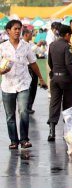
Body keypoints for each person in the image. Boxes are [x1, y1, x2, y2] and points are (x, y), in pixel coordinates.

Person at [0, 20, 45, 149]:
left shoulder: (26, 46)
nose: (18, 31)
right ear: (8, 31)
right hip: (8, 85)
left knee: (24, 111)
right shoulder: (2, 47)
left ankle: (24, 139)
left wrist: (41, 79)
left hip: (23, 83)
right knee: (10, 116)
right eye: (15, 29)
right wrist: (2, 71)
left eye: (19, 29)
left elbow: (33, 63)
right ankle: (14, 141)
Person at [47, 24, 72, 142]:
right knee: (68, 104)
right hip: (66, 79)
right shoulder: (67, 46)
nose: (70, 37)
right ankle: (68, 132)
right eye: (70, 35)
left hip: (55, 78)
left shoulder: (52, 45)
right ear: (66, 35)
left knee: (54, 104)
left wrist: (55, 72)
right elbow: (69, 65)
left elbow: (50, 62)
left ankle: (52, 131)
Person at [21, 28, 38, 115]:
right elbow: (30, 51)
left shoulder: (30, 43)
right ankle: (25, 107)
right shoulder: (22, 44)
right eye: (31, 34)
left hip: (33, 67)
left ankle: (29, 106)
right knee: (28, 88)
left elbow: (37, 52)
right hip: (28, 68)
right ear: (26, 35)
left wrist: (39, 46)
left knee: (33, 88)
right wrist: (37, 45)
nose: (32, 35)